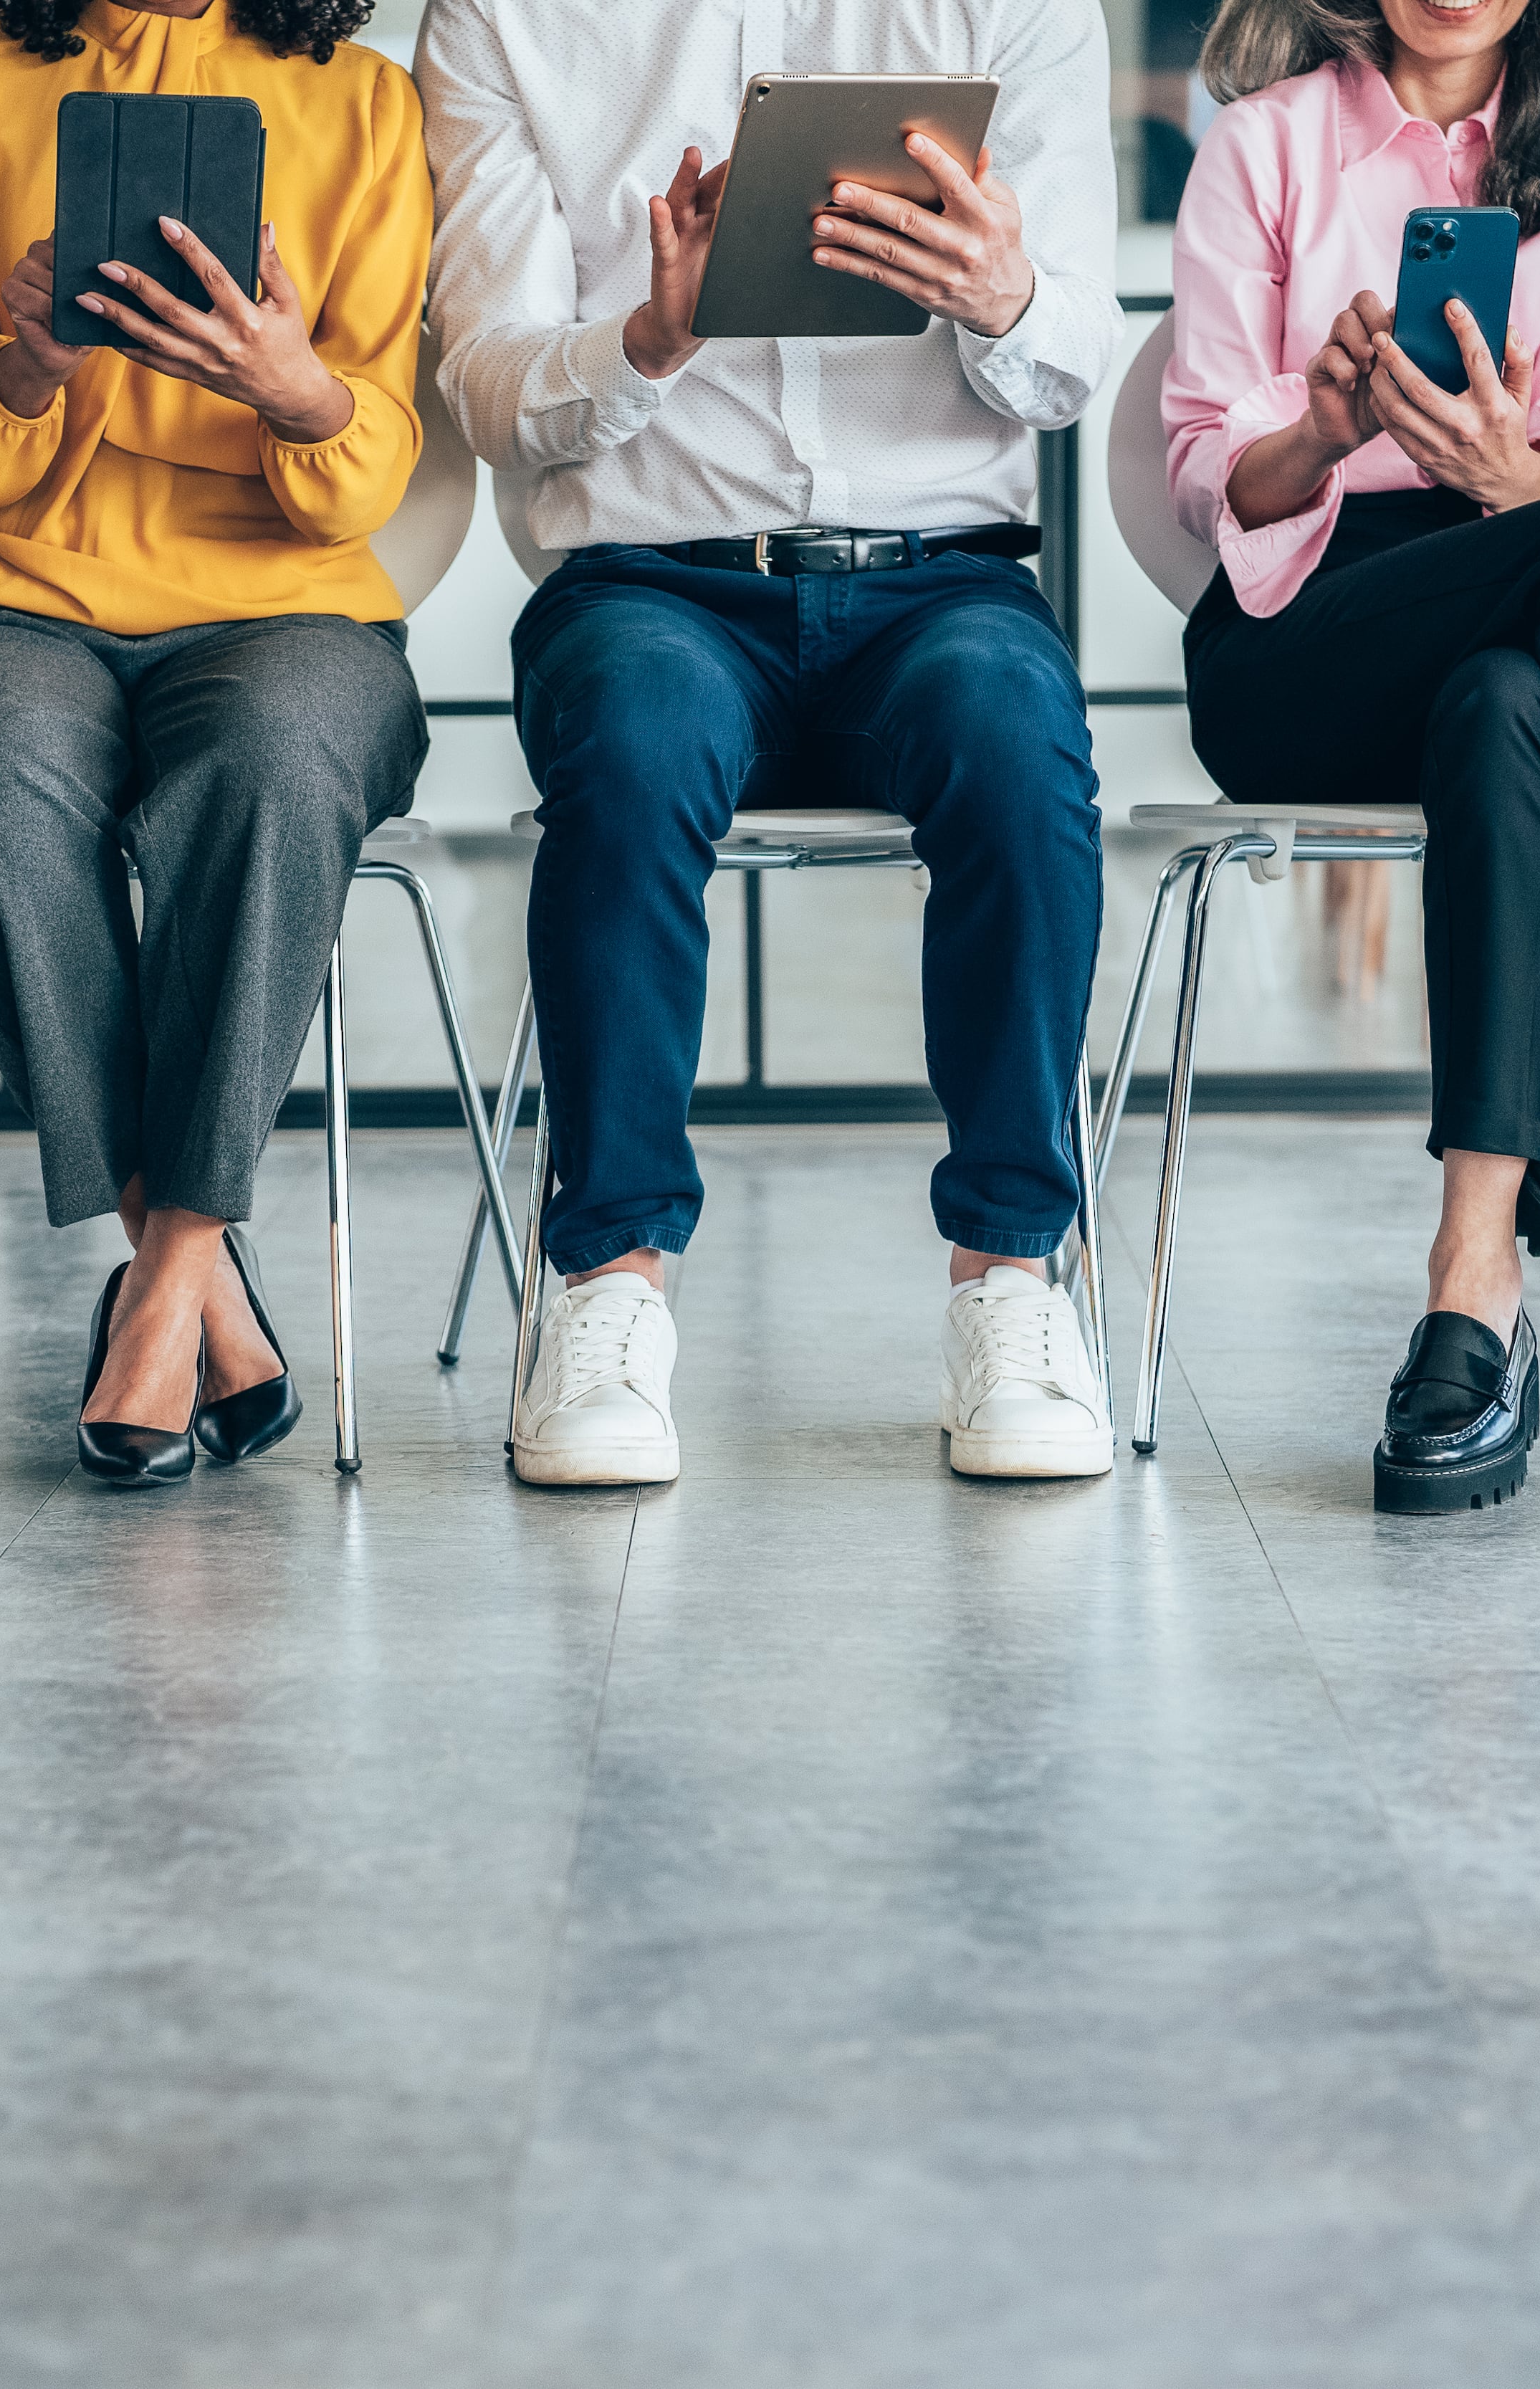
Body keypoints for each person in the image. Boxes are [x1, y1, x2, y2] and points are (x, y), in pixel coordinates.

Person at [419, 0, 1123, 1487]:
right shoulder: (503, 17)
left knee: (1016, 739)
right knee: (629, 744)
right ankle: (609, 1286)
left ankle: (1010, 1277)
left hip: (938, 577)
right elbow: (483, 381)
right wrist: (650, 338)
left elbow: (1069, 370)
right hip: (653, 580)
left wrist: (1001, 293)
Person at [1162, 0, 1540, 1515]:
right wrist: (1319, 430)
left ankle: (1471, 1278)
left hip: (1513, 577)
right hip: (1300, 625)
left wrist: (1507, 471)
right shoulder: (1264, 145)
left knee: (1508, 695)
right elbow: (1198, 463)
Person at [0, 0, 431, 1489]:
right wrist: (28, 368)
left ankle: (166, 1277)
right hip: (8, 595)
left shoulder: (362, 102)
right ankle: (199, 1284)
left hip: (287, 603)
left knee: (279, 761)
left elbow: (369, 461)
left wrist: (291, 386)